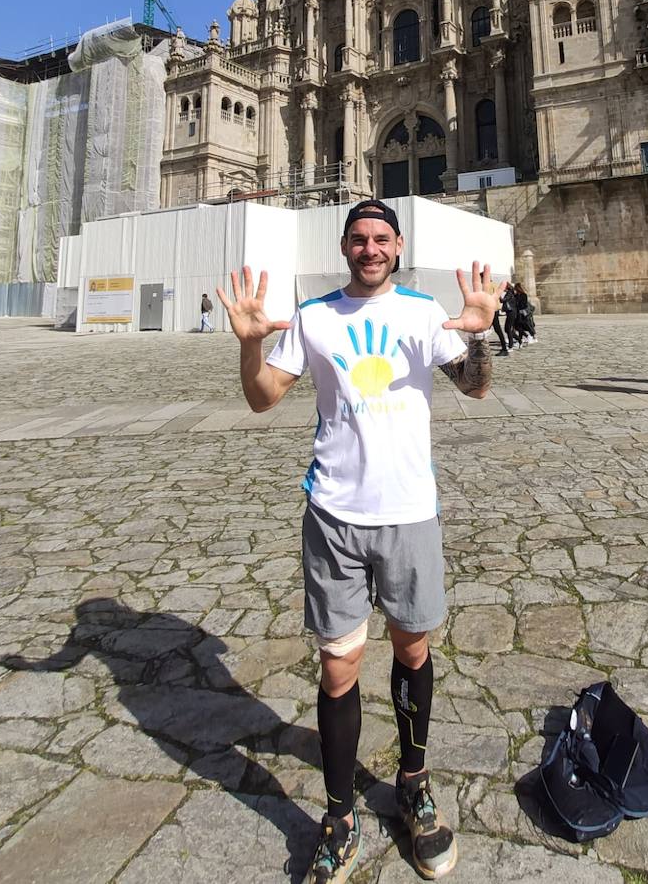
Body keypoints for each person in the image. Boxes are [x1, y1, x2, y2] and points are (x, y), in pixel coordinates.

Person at [216, 197, 501, 884]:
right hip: (335, 516)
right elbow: (262, 398)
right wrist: (251, 341)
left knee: (412, 649)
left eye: (380, 238)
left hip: (408, 513)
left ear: (397, 247)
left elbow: (477, 386)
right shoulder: (313, 318)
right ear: (343, 248)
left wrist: (483, 333)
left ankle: (413, 781)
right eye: (358, 238)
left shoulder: (423, 314)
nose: (369, 248)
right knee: (339, 669)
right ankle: (339, 817)